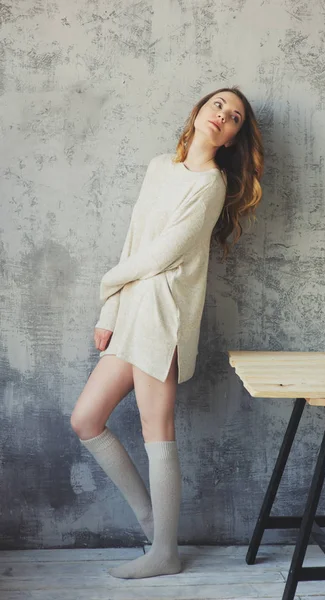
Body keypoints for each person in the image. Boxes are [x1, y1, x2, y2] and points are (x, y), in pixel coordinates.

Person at [70, 86, 264, 579]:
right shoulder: (160, 167)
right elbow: (134, 241)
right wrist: (108, 313)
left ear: (233, 137)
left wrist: (105, 282)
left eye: (235, 116)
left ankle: (165, 552)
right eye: (218, 105)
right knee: (86, 421)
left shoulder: (211, 184)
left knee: (157, 430)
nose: (223, 115)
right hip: (132, 310)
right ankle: (153, 524)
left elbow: (163, 256)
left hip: (164, 314)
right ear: (199, 111)